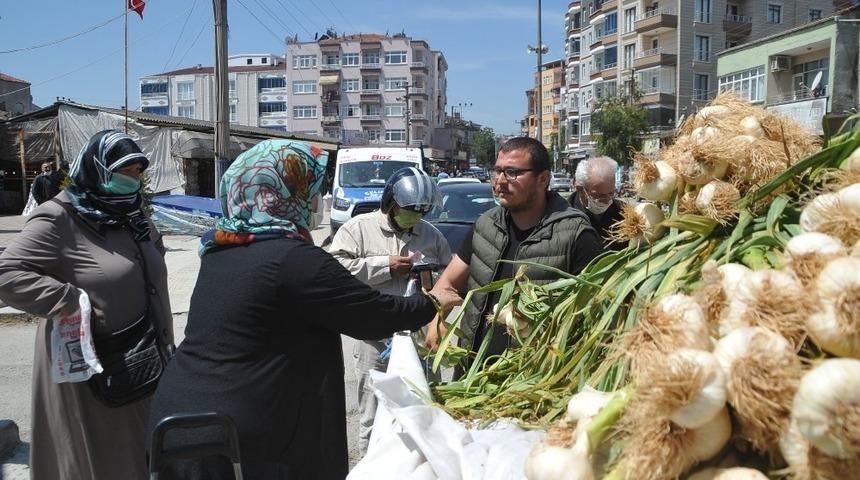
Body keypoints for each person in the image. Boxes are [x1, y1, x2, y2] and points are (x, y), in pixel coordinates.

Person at [147, 140, 461, 479]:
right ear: (281, 193)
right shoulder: (291, 259)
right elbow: (372, 315)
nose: (316, 201)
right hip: (236, 435)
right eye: (308, 189)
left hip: (183, 418)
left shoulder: (221, 249)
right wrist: (430, 302)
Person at [0, 130, 171, 479]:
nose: (134, 178)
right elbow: (7, 273)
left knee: (144, 455)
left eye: (138, 171)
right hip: (94, 367)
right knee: (103, 459)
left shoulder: (133, 216)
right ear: (97, 168)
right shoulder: (59, 217)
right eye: (125, 170)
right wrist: (68, 300)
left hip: (145, 356)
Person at [425, 137, 603, 367]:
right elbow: (447, 283)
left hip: (530, 377)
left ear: (543, 179)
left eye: (512, 172)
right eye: (497, 171)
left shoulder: (576, 234)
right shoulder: (485, 225)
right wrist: (437, 319)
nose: (500, 180)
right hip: (472, 371)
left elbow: (596, 314)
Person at [329, 166, 453, 455]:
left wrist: (436, 305)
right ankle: (370, 466)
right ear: (391, 203)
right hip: (374, 338)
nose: (415, 216)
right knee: (373, 415)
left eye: (421, 211)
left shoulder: (431, 236)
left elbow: (448, 277)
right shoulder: (358, 229)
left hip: (419, 339)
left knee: (425, 407)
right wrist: (384, 266)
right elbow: (335, 271)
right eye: (410, 210)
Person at [570, 156, 627, 251]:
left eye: (611, 193)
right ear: (580, 188)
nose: (607, 200)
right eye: (599, 195)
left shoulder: (624, 213)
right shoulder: (565, 216)